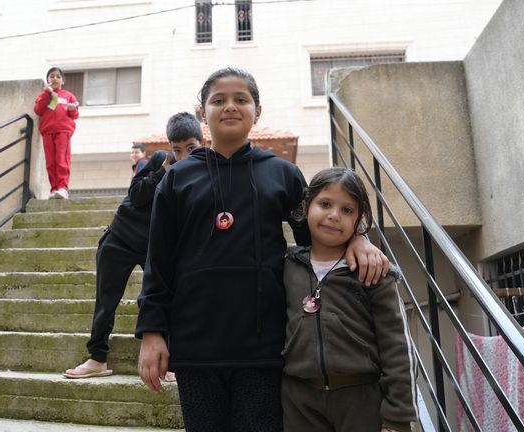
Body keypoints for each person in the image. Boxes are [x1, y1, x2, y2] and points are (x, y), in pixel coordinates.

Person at [136, 67, 390, 431]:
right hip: (195, 345)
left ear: (258, 110)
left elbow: (318, 234)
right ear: (201, 111)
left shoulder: (282, 174)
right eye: (218, 100)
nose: (230, 107)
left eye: (242, 99)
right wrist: (152, 332)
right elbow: (157, 261)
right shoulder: (177, 178)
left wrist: (358, 237)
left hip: (265, 348)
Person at [63, 112, 203, 379]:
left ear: (201, 143)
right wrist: (162, 172)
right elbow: (135, 195)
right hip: (120, 237)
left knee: (164, 299)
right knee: (106, 301)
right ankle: (97, 358)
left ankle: (170, 362)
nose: (183, 155)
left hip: (156, 246)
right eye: (177, 149)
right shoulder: (160, 160)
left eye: (191, 148)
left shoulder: (201, 172)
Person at [281, 167, 417, 432]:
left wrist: (398, 417)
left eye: (347, 210)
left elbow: (398, 347)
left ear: (358, 220)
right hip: (299, 401)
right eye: (325, 204)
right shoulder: (287, 266)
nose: (334, 216)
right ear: (306, 206)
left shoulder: (374, 272)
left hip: (362, 400)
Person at [33, 67, 79, 200]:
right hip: (47, 131)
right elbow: (38, 110)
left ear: (62, 81)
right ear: (48, 80)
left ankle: (63, 188)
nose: (55, 79)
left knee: (61, 159)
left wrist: (72, 109)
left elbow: (75, 115)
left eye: (58, 77)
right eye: (52, 76)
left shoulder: (68, 95)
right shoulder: (44, 95)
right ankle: (54, 189)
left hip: (63, 131)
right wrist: (47, 93)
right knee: (50, 162)